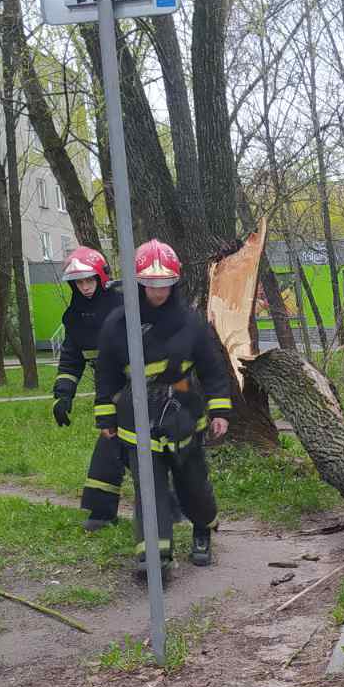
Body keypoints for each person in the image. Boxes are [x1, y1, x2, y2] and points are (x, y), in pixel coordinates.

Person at [94, 239, 233, 581]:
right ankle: (154, 556)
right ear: (140, 283)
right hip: (137, 416)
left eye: (165, 284)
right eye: (152, 284)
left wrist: (219, 411)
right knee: (149, 487)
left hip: (183, 409)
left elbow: (213, 370)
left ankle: (203, 529)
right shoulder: (117, 324)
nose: (158, 291)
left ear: (175, 282)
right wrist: (106, 416)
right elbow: (106, 373)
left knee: (193, 484)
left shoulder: (192, 323)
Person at [51, 247, 127, 531]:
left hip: (143, 386)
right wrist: (63, 395)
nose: (84, 287)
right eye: (79, 282)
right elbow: (72, 357)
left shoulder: (124, 304)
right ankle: (102, 513)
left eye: (89, 280)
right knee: (109, 444)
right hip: (108, 389)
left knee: (150, 451)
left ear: (100, 277)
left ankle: (178, 507)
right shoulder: (74, 317)